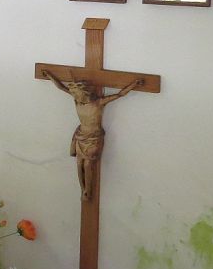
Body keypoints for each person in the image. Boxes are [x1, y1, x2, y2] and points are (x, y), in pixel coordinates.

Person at [43, 71, 144, 201]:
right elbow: (62, 87)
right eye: (75, 95)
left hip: (94, 138)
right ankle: (82, 190)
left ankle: (88, 190)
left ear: (84, 93)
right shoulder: (77, 101)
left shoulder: (98, 103)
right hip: (81, 136)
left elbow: (120, 94)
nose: (76, 97)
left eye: (77, 94)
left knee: (87, 165)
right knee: (79, 163)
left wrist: (134, 84)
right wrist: (49, 76)